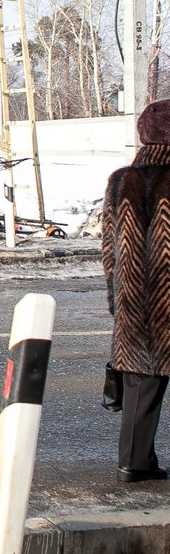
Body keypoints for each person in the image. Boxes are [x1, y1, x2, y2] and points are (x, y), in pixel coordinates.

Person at [102, 98, 170, 483]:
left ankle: (134, 462)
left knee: (141, 384)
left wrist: (118, 302)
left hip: (135, 302)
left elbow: (110, 252)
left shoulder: (121, 181)